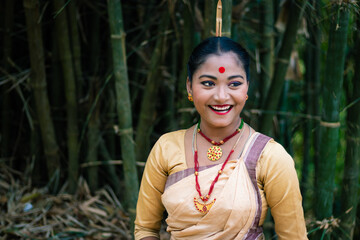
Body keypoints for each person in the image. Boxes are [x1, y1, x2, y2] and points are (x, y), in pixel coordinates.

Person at [134, 36, 308, 240]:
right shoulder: (166, 147)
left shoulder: (270, 157)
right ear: (189, 87)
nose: (221, 96)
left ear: (247, 88)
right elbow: (145, 229)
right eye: (208, 83)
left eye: (234, 84)